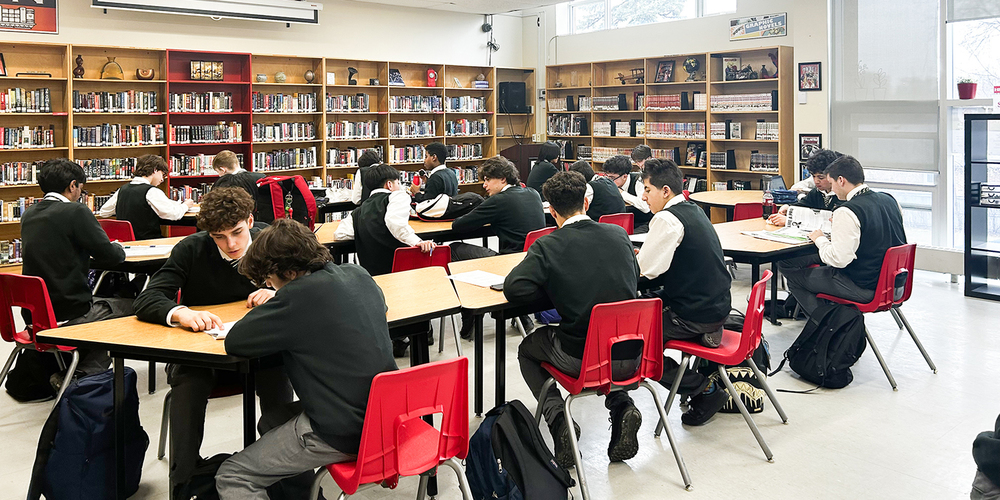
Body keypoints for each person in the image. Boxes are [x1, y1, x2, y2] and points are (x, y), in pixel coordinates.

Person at [215, 219, 397, 500]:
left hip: (345, 429)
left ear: (288, 272)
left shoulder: (296, 297)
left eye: (269, 279)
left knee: (234, 475)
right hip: (387, 415)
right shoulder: (358, 274)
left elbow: (236, 341)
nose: (268, 285)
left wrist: (277, 300)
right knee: (273, 421)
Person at [132, 187, 294, 498]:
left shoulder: (272, 241)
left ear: (250, 220)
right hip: (204, 353)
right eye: (219, 237)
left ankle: (285, 475)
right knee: (188, 384)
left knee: (279, 378)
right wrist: (180, 312)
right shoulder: (191, 249)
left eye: (236, 232)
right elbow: (148, 298)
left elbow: (313, 281)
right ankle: (186, 478)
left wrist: (280, 293)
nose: (230, 244)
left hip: (260, 349)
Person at [507, 171, 643, 468]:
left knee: (528, 349)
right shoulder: (618, 234)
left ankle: (559, 422)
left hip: (582, 359)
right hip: (632, 354)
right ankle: (622, 406)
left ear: (551, 210)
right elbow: (635, 275)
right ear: (586, 201)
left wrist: (550, 283)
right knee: (606, 334)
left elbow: (514, 288)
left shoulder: (548, 246)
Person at [635, 158, 733, 426]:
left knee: (632, 340)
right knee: (643, 304)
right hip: (715, 304)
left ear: (665, 191)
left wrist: (632, 260)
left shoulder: (667, 218)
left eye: (647, 190)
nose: (643, 197)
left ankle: (704, 390)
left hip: (693, 311)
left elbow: (646, 270)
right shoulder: (693, 209)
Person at [20, 159, 131, 379]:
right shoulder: (75, 211)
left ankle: (76, 364)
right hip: (68, 312)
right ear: (73, 185)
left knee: (106, 303)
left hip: (35, 314)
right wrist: (118, 245)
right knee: (132, 307)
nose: (81, 193)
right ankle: (83, 373)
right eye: (82, 187)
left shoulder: (29, 214)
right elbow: (110, 257)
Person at [780, 156, 907, 317]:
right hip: (896, 286)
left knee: (795, 279)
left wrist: (820, 239)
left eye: (831, 183)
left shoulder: (847, 211)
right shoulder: (890, 200)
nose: (832, 190)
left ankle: (829, 327)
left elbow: (838, 260)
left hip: (866, 287)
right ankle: (833, 319)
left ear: (841, 180)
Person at [451, 156, 545, 338]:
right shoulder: (532, 193)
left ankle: (470, 313)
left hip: (508, 263)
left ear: (503, 179)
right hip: (532, 260)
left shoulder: (498, 201)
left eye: (487, 180)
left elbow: (459, 226)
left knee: (455, 249)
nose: (484, 185)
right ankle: (521, 315)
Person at [334, 163, 436, 277]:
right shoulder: (397, 197)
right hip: (401, 272)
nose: (400, 186)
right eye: (398, 182)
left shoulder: (357, 211)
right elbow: (395, 223)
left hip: (372, 276)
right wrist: (417, 242)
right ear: (389, 185)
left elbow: (340, 234)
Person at [98, 154, 194, 239]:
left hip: (126, 242)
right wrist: (185, 206)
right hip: (149, 242)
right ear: (155, 170)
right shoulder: (151, 191)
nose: (162, 179)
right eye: (163, 175)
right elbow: (173, 214)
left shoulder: (122, 189)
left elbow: (104, 212)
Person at [768, 149, 845, 226]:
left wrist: (790, 221)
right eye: (813, 176)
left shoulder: (842, 196)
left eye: (821, 178)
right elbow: (803, 204)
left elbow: (829, 221)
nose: (816, 181)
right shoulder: (817, 192)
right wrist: (788, 207)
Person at [602, 154, 653, 233]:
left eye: (612, 178)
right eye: (607, 177)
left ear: (625, 176)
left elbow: (645, 207)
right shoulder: (610, 183)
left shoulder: (639, 181)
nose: (609, 181)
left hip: (643, 223)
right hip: (621, 223)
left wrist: (622, 193)